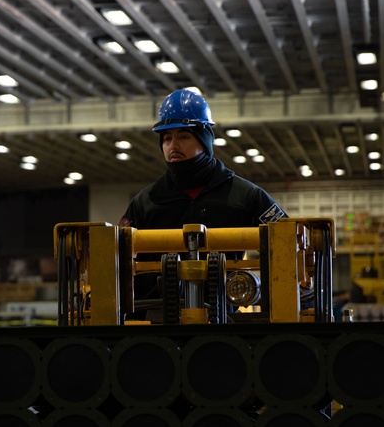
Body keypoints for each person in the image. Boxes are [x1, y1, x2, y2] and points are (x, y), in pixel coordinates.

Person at [119, 87, 286, 312]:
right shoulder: (146, 202)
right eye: (167, 138)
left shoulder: (245, 195)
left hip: (223, 318)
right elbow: (117, 252)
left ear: (204, 140)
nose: (173, 146)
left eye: (184, 136)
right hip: (154, 318)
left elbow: (287, 240)